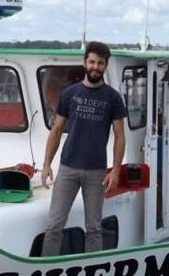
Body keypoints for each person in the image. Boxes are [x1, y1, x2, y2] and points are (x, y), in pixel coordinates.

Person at [40, 41, 127, 255]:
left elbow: (119, 136)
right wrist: (46, 164)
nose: (95, 67)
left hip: (96, 171)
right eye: (92, 62)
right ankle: (46, 270)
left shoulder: (113, 98)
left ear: (105, 65)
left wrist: (115, 170)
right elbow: (57, 129)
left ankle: (92, 270)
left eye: (100, 63)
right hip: (68, 167)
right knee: (54, 226)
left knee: (94, 228)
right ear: (84, 62)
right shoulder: (70, 93)